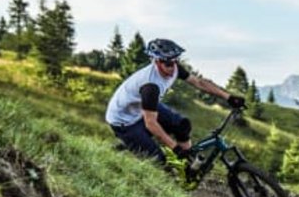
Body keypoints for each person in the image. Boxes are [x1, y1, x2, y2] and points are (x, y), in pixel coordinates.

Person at [104, 38, 245, 171]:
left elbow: (199, 82)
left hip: (142, 108)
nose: (173, 67)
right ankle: (132, 144)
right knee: (159, 164)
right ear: (157, 62)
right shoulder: (150, 86)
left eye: (175, 61)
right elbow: (151, 124)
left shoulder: (174, 68)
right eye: (168, 64)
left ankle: (188, 165)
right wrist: (174, 147)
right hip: (124, 122)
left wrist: (228, 97)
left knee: (182, 125)